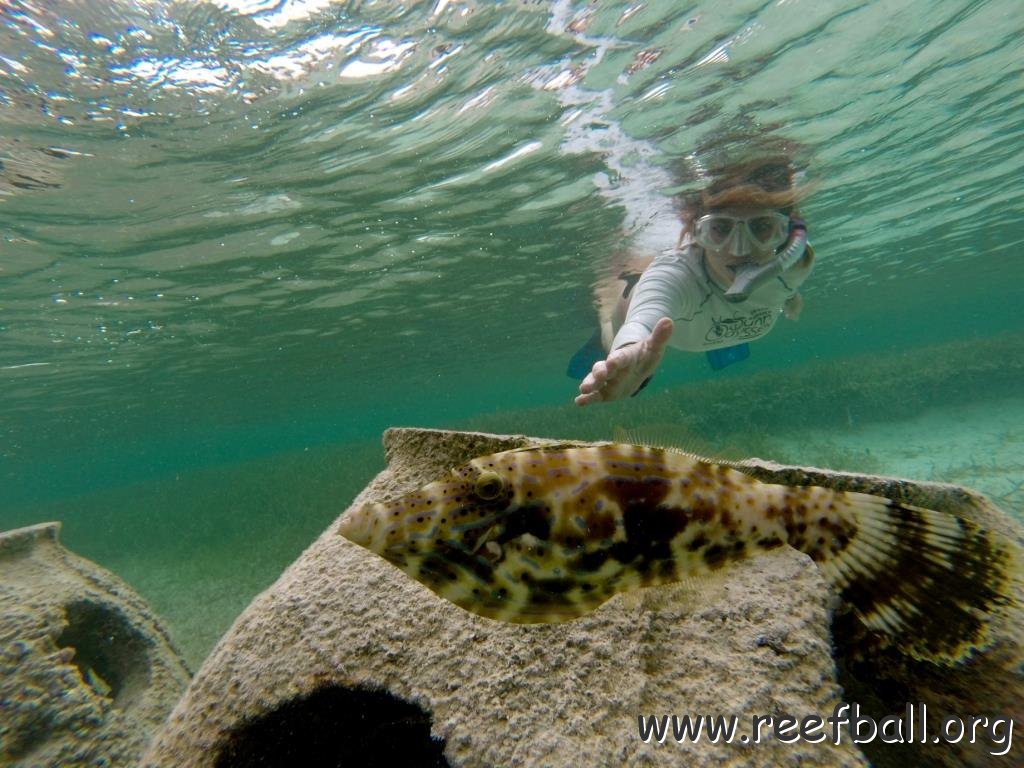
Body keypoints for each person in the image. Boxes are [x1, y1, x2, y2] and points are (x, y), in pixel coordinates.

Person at [572, 157, 816, 406]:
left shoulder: (798, 262)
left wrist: (790, 297)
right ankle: (603, 321)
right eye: (720, 229)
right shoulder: (674, 277)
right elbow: (643, 319)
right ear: (697, 233)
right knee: (610, 325)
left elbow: (787, 285)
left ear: (785, 236)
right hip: (630, 299)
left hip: (707, 326)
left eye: (762, 226)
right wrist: (630, 348)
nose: (740, 249)